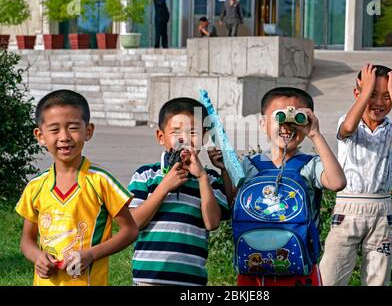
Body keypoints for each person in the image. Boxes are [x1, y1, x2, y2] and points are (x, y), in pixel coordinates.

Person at [15, 90, 138, 286]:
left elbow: (130, 231)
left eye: (73, 128)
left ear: (88, 131)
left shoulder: (101, 181)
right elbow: (26, 240)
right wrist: (37, 257)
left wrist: (91, 254)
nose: (64, 137)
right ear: (40, 135)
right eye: (54, 130)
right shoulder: (35, 186)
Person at [236, 87, 347, 286]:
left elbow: (338, 182)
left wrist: (315, 135)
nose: (287, 125)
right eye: (279, 117)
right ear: (263, 124)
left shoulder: (309, 165)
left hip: (300, 267)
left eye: (296, 118)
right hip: (253, 267)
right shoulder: (248, 165)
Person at [319, 65, 392, 286]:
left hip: (382, 211)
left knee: (378, 278)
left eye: (387, 96)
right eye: (372, 94)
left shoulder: (391, 130)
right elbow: (348, 127)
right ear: (357, 94)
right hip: (347, 208)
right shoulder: (348, 122)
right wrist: (366, 89)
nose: (379, 103)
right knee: (331, 275)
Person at [128, 98, 234, 286]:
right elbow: (134, 222)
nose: (184, 139)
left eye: (193, 132)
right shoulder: (145, 175)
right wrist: (165, 186)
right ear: (161, 137)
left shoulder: (208, 179)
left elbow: (212, 223)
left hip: (190, 280)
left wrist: (201, 177)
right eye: (176, 132)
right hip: (148, 278)